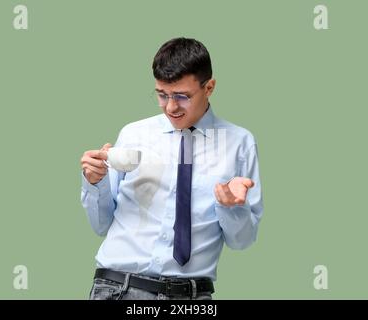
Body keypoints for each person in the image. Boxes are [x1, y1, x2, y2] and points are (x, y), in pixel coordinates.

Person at [80, 37, 263, 300]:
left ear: (209, 87)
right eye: (162, 95)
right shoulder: (133, 134)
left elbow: (242, 241)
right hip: (117, 289)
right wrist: (95, 182)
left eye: (182, 96)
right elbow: (100, 225)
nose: (170, 107)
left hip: (190, 298)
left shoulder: (240, 143)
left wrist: (232, 206)